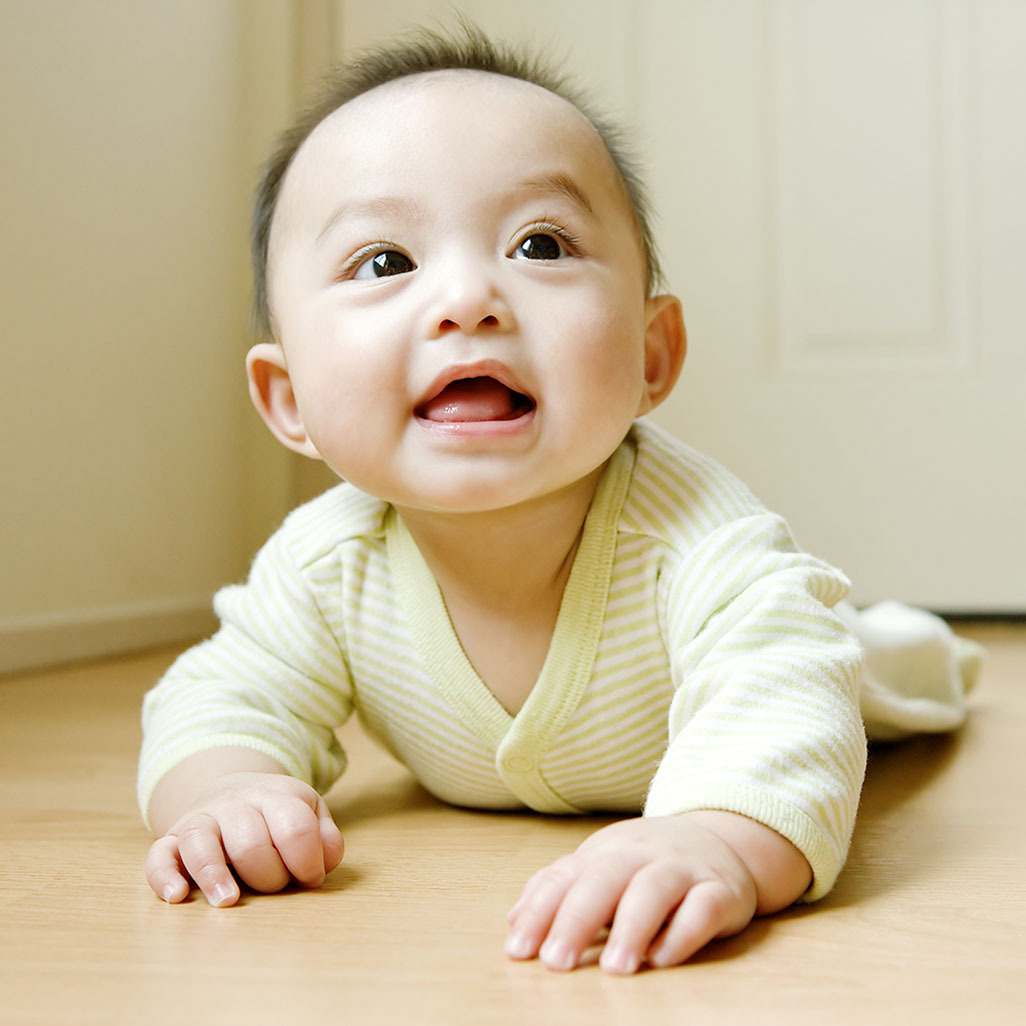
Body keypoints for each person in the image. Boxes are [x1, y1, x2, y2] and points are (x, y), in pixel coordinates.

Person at [138, 23, 977, 975]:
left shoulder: (704, 541)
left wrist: (714, 837)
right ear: (290, 401)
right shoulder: (326, 564)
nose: (466, 298)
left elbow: (785, 700)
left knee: (866, 664)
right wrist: (225, 788)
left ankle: (915, 644)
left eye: (539, 243)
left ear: (651, 357)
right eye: (385, 262)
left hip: (816, 674)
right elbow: (219, 696)